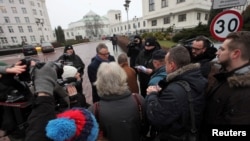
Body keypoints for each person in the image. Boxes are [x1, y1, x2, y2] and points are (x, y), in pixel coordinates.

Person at [146, 46, 207, 141]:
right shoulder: (198, 79)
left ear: (172, 65)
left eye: (166, 63)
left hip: (176, 135)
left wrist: (152, 94)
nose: (165, 66)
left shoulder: (173, 90)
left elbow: (156, 117)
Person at [202, 31, 250, 140]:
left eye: (222, 49)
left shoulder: (245, 94)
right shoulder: (225, 76)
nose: (217, 53)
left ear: (235, 54)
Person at [88, 62, 146, 141]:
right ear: (122, 77)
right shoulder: (138, 100)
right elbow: (146, 127)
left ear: (99, 81)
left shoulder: (94, 109)